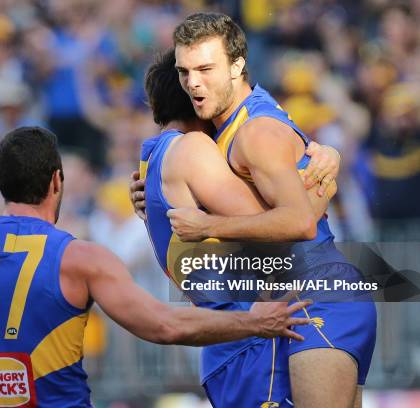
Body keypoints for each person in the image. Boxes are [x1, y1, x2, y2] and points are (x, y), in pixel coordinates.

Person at [0, 126, 312, 408]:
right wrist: (254, 322)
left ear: (1, 184)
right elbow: (164, 326)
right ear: (57, 181)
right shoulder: (80, 258)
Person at [134, 13, 376, 408]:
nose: (193, 82)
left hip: (315, 294)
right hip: (298, 299)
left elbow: (300, 222)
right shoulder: (222, 128)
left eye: (205, 69)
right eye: (185, 71)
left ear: (237, 66)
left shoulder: (254, 132)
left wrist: (208, 224)